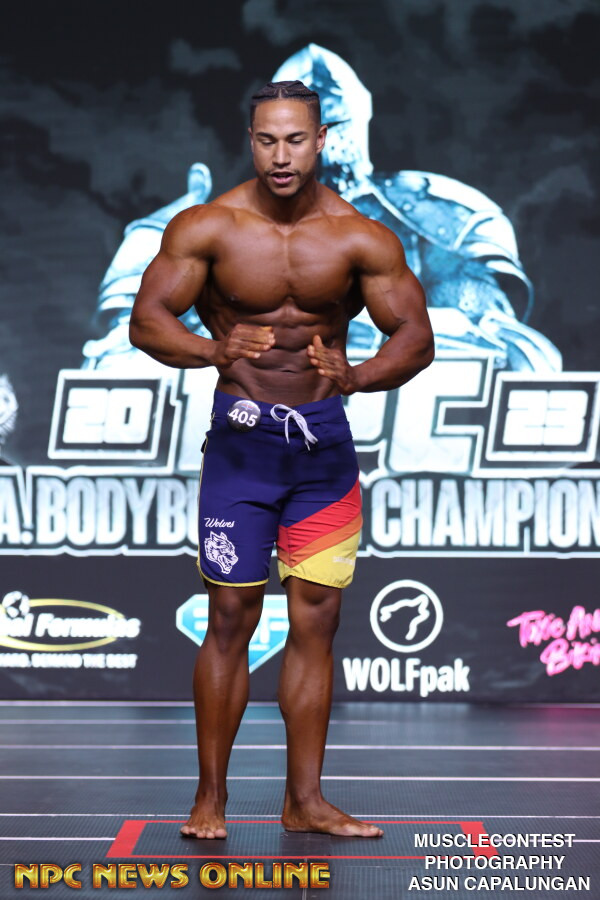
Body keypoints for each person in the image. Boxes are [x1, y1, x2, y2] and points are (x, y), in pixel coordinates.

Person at [129, 80, 434, 840]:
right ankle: (210, 799)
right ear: (251, 140)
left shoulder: (359, 237)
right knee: (230, 615)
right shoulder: (210, 226)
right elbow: (146, 320)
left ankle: (306, 800)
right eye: (267, 140)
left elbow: (415, 336)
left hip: (322, 452)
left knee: (316, 620)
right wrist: (211, 350)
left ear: (322, 140)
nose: (281, 156)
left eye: (295, 140)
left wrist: (359, 376)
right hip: (242, 450)